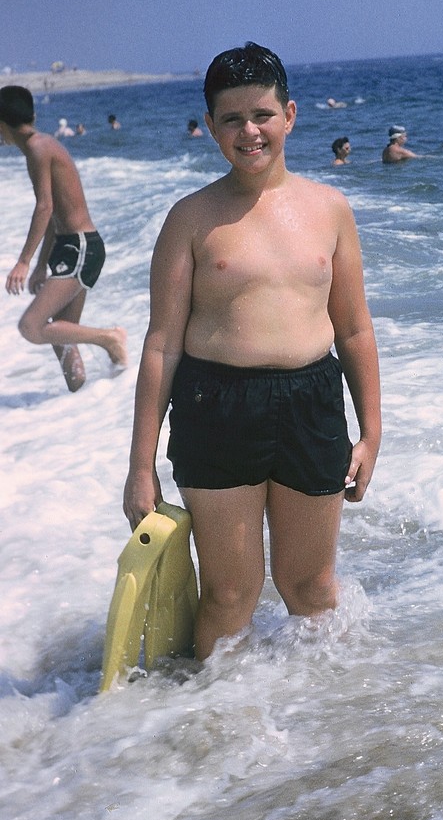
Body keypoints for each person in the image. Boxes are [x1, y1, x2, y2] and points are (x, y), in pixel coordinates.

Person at [123, 42, 381, 662]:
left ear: (289, 114)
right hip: (217, 407)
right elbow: (161, 344)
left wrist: (371, 433)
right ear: (210, 127)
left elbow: (354, 330)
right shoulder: (190, 219)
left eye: (261, 114)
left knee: (311, 587)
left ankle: (324, 730)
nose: (249, 131)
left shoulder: (330, 209)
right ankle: (214, 732)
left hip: (312, 401)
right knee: (230, 595)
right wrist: (140, 465)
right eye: (231, 119)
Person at [0, 85, 128, 391]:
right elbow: (54, 217)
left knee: (31, 326)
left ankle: (109, 338)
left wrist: (23, 261)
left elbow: (44, 207)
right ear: (32, 114)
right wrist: (42, 265)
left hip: (81, 247)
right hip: (69, 247)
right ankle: (80, 395)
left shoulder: (37, 147)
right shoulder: (41, 144)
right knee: (62, 338)